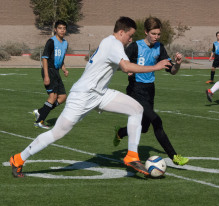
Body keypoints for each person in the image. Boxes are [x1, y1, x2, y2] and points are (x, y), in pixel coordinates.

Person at [9, 16, 172, 178]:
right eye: (129, 36)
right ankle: (18, 159)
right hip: (83, 95)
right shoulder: (114, 44)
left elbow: (122, 65)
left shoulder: (111, 42)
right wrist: (155, 67)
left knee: (137, 109)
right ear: (121, 32)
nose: (130, 40)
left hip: (100, 93)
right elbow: (125, 66)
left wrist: (131, 68)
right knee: (57, 133)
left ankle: (132, 156)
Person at [113, 17, 189, 166]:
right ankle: (174, 156)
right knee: (156, 120)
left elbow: (172, 71)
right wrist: (127, 71)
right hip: (135, 90)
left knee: (145, 127)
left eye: (158, 34)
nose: (156, 37)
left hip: (149, 90)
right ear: (146, 32)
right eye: (153, 34)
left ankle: (121, 132)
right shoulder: (135, 46)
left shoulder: (159, 47)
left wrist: (178, 64)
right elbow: (120, 64)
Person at [32, 20, 69, 129]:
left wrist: (64, 69)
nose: (62, 30)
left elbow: (61, 59)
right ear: (55, 29)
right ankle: (39, 121)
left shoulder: (65, 43)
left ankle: (40, 111)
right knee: (52, 97)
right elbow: (44, 58)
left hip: (56, 71)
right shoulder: (51, 42)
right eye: (60, 28)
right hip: (49, 70)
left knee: (62, 97)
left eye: (64, 28)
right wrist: (46, 76)